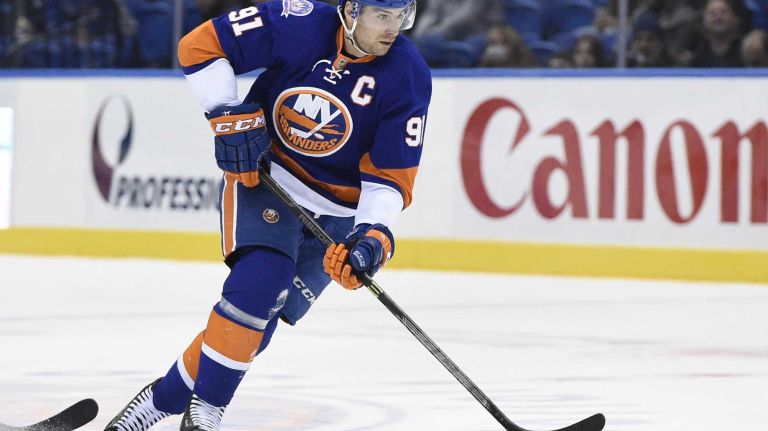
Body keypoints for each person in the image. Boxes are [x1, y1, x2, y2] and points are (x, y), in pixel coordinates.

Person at [104, 0, 431, 430]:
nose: (394, 29)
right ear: (351, 11)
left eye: (401, 18)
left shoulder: (408, 73)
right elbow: (199, 45)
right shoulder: (295, 20)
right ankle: (205, 415)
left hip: (336, 216)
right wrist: (225, 111)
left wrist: (372, 236)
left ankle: (160, 400)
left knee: (260, 324)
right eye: (382, 17)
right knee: (260, 284)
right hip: (268, 177)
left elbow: (389, 176)